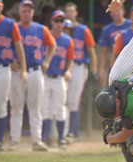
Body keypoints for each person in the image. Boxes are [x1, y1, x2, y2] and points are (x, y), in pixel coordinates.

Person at [8, 0, 56, 151]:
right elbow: (6, 47)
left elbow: (52, 45)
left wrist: (47, 61)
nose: (26, 13)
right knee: (16, 107)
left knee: (36, 107)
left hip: (35, 70)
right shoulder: (13, 28)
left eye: (29, 11)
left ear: (33, 13)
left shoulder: (40, 29)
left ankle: (37, 141)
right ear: (20, 12)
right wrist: (10, 61)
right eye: (24, 10)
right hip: (18, 71)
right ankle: (14, 141)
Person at [0, 0, 27, 151]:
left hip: (4, 69)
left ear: (2, 7)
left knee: (1, 105)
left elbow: (19, 47)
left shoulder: (10, 24)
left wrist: (23, 69)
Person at [64, 2, 98, 142]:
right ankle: (67, 132)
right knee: (63, 100)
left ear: (76, 13)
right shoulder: (62, 29)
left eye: (72, 11)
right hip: (63, 68)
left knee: (74, 100)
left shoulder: (84, 30)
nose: (70, 14)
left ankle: (73, 132)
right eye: (67, 11)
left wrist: (94, 70)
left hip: (79, 67)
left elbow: (92, 52)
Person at [41, 10, 74, 149]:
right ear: (51, 22)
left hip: (59, 77)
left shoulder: (67, 40)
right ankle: (44, 138)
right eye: (57, 21)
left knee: (60, 108)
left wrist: (68, 71)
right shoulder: (44, 35)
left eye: (61, 21)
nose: (59, 24)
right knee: (45, 109)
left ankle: (61, 139)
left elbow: (70, 60)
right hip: (45, 77)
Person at [97, 4, 132, 87]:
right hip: (116, 63)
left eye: (117, 10)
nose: (115, 13)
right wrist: (101, 70)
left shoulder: (132, 25)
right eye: (112, 11)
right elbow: (104, 52)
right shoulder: (107, 29)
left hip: (131, 61)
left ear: (123, 11)